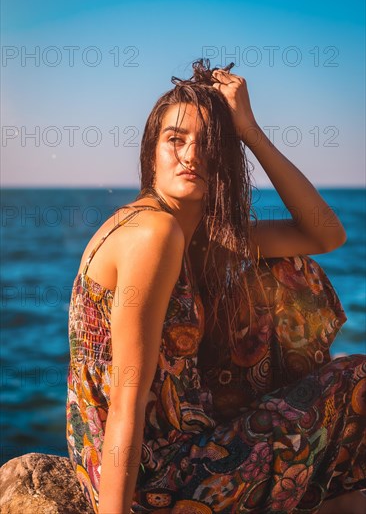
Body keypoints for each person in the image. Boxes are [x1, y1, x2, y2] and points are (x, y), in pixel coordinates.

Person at [66, 58, 366, 513]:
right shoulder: (153, 235)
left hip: (177, 440)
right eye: (175, 140)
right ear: (151, 153)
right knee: (357, 375)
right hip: (160, 477)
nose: (191, 155)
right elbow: (127, 397)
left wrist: (249, 129)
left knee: (289, 268)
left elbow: (325, 234)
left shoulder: (198, 237)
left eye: (209, 145)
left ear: (224, 162)